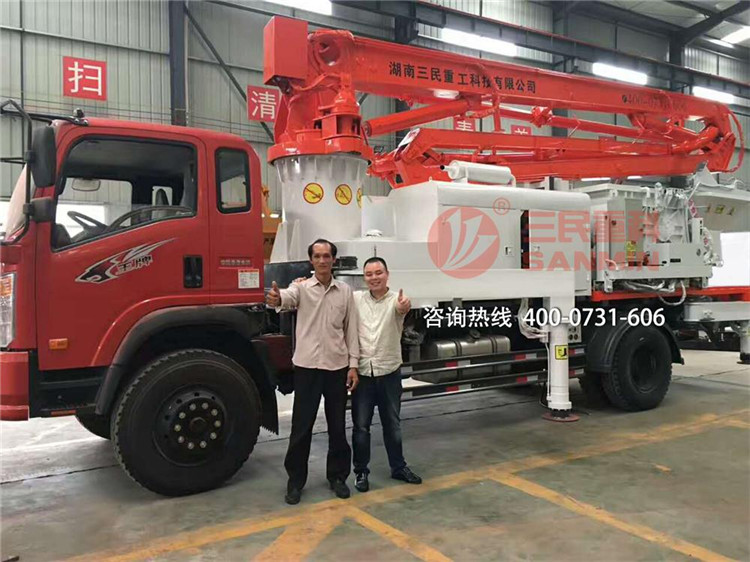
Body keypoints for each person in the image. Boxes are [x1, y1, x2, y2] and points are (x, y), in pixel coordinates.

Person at [266, 239, 359, 505]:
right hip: (307, 368)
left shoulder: (345, 292)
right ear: (311, 260)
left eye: (326, 256)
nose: (322, 260)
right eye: (317, 256)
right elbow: (286, 298)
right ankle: (295, 482)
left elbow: (351, 330)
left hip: (336, 367)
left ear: (333, 260)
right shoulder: (301, 288)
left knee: (337, 427)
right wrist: (277, 298)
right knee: (301, 427)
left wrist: (353, 365)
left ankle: (338, 477)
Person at [351, 257, 422, 493]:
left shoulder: (396, 300)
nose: (374, 277)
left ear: (387, 274)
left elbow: (403, 309)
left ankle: (398, 467)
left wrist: (404, 305)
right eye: (369, 274)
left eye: (378, 272)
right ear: (364, 278)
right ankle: (361, 472)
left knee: (392, 424)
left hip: (389, 372)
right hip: (363, 373)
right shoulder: (356, 299)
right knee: (361, 427)